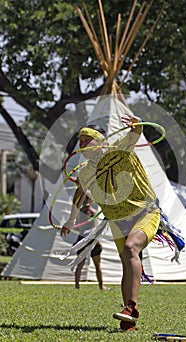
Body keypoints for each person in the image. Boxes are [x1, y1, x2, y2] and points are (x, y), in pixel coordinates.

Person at [61, 113, 161, 331]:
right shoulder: (86, 171)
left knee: (130, 247)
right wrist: (70, 220)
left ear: (101, 141)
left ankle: (131, 307)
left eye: (88, 140)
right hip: (117, 220)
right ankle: (128, 321)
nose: (83, 144)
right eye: (81, 141)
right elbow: (79, 195)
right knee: (128, 260)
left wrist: (137, 125)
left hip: (145, 212)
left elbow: (135, 134)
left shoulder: (119, 150)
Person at [73, 200, 108, 290]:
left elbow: (77, 226)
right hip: (92, 239)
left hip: (82, 239)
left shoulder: (79, 213)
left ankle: (77, 286)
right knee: (97, 264)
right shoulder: (93, 212)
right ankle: (101, 286)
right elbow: (95, 229)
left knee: (80, 264)